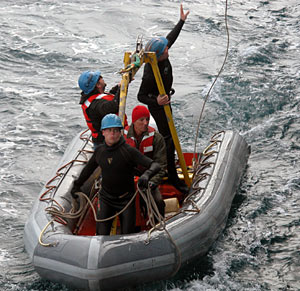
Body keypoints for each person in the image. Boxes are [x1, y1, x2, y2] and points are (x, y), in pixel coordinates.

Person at [71, 114, 161, 235]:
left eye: (115, 130)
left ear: (120, 132)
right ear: (103, 132)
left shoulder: (128, 151)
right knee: (101, 235)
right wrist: (76, 186)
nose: (112, 134)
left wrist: (146, 175)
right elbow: (88, 170)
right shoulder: (100, 152)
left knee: (127, 236)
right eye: (109, 130)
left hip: (126, 199)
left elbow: (155, 165)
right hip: (106, 199)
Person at [137, 4, 190, 194]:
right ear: (158, 56)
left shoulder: (161, 54)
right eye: (166, 50)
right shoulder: (150, 72)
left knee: (171, 138)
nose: (169, 50)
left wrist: (181, 21)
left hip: (166, 101)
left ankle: (169, 166)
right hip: (159, 108)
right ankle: (172, 177)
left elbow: (170, 38)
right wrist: (156, 102)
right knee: (169, 140)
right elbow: (140, 95)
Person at [124, 105, 167, 218]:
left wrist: (152, 183)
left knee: (158, 202)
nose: (145, 123)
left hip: (148, 177)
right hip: (127, 179)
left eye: (147, 119)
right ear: (134, 121)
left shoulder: (156, 138)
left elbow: (161, 165)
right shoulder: (122, 137)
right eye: (141, 120)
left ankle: (159, 225)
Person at [78, 70, 123, 149]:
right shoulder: (95, 105)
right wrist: (121, 89)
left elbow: (109, 96)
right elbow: (112, 107)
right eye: (100, 77)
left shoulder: (94, 98)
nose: (103, 78)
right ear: (98, 85)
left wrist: (118, 87)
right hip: (103, 143)